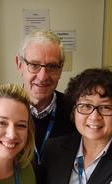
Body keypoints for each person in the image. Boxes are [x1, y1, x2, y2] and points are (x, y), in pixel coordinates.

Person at [16, 29, 76, 163]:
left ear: (60, 70)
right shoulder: (1, 110)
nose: (43, 77)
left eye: (52, 66)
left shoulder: (75, 111)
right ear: (20, 65)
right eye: (34, 65)